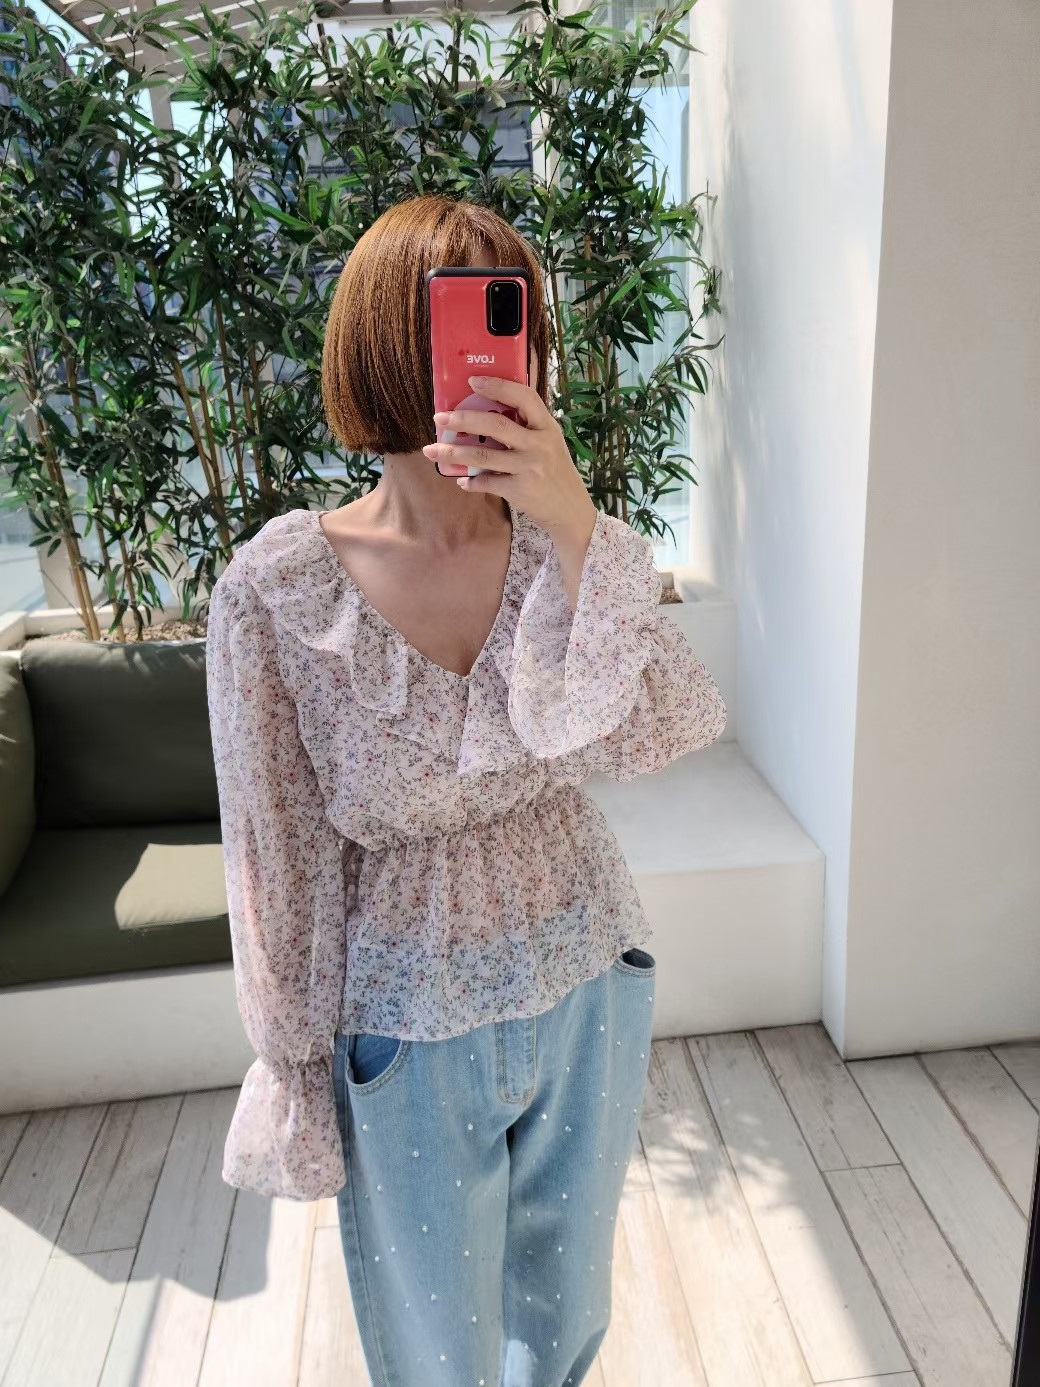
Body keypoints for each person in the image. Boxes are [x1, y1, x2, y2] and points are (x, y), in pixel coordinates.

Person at [204, 193, 727, 1387]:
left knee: (564, 1309)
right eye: (463, 324)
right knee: (435, 1343)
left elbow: (666, 721)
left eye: (513, 323)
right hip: (407, 1022)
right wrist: (292, 1062)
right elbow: (273, 855)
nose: (501, 355)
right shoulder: (279, 591)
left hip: (589, 971)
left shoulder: (559, 547)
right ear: (390, 348)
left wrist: (580, 526)